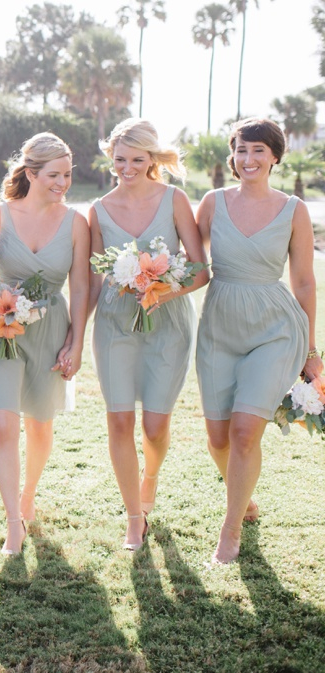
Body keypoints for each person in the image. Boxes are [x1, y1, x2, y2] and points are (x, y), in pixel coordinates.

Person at [195, 118, 318, 564]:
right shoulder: (212, 203)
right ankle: (243, 500)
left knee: (246, 432)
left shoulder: (293, 209)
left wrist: (311, 352)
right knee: (218, 436)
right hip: (219, 327)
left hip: (275, 330)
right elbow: (190, 261)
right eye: (242, 150)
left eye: (258, 151)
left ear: (275, 157)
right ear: (233, 156)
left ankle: (230, 531)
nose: (248, 159)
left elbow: (304, 282)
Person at [88, 118, 207, 551]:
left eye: (137, 159)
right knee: (119, 421)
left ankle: (150, 476)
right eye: (121, 159)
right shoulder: (97, 210)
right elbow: (94, 278)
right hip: (115, 323)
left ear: (152, 159)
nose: (128, 167)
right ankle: (134, 518)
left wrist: (161, 291)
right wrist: (72, 334)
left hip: (169, 322)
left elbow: (200, 270)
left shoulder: (175, 200)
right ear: (111, 158)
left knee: (155, 427)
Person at [0, 133, 89, 555]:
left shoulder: (77, 223)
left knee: (40, 423)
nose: (63, 182)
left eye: (67, 174)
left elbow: (80, 287)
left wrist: (76, 342)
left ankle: (28, 496)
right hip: (1, 329)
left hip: (51, 330)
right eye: (54, 175)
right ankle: (12, 522)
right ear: (30, 173)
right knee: (3, 423)